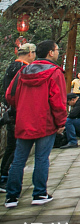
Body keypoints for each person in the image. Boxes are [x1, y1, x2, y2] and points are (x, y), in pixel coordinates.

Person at [5, 40, 66, 207]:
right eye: (56, 50)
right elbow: (58, 100)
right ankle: (39, 194)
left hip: (24, 121)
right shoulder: (54, 72)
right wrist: (61, 121)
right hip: (45, 122)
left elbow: (10, 95)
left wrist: (23, 107)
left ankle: (11, 196)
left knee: (19, 159)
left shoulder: (23, 71)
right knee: (41, 158)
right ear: (50, 53)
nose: (58, 52)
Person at [1, 42, 35, 187]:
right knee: (17, 148)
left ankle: (3, 175)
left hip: (10, 111)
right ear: (30, 53)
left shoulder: (11, 67)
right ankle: (6, 179)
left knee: (11, 147)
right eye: (34, 53)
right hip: (18, 113)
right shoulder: (23, 69)